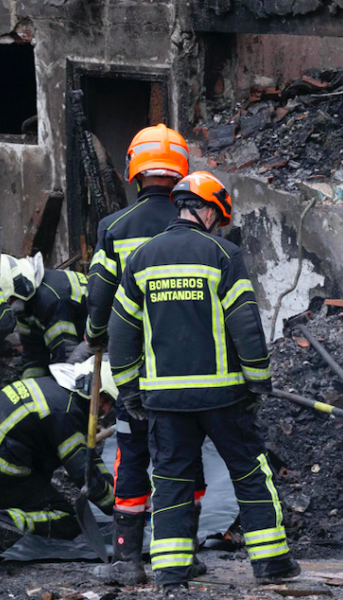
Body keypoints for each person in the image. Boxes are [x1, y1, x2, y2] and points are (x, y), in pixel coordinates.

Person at [108, 171, 299, 590]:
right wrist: (258, 383)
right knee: (249, 473)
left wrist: (128, 390)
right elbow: (246, 326)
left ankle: (172, 575)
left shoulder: (141, 259)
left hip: (164, 401)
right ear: (210, 209)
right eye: (220, 216)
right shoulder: (223, 255)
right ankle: (271, 565)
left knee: (172, 481)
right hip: (223, 397)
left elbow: (120, 334)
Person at [86, 124, 207, 586]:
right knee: (184, 456)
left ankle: (127, 560)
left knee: (132, 454)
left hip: (133, 370)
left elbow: (100, 299)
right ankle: (184, 555)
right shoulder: (200, 228)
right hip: (191, 372)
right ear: (182, 174)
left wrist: (96, 336)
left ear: (133, 172)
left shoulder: (113, 229)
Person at [0, 356, 116, 551]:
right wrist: (121, 508)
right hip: (7, 470)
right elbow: (84, 474)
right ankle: (8, 523)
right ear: (92, 388)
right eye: (106, 400)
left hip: (10, 460)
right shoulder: (66, 412)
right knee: (66, 519)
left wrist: (111, 484)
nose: (105, 409)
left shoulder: (52, 388)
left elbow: (88, 457)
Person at [0, 253, 87, 379]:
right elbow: (33, 356)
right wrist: (29, 386)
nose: (8, 306)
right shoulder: (26, 303)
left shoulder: (50, 299)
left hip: (101, 342)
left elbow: (65, 354)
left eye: (8, 301)